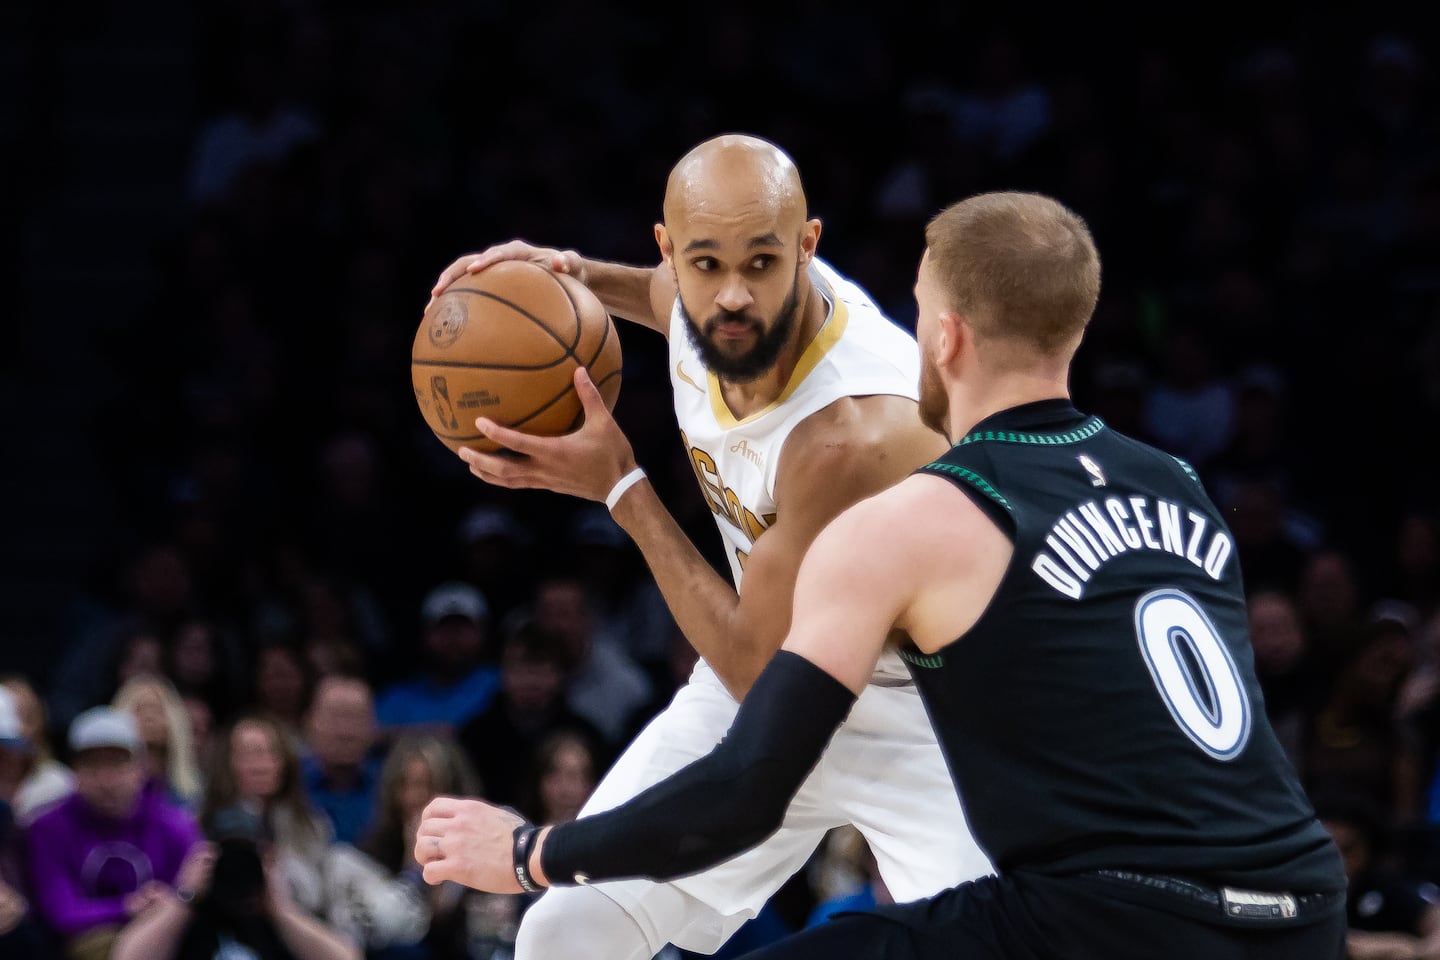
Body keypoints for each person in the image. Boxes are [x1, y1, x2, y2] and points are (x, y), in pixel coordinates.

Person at [416, 192, 1349, 959]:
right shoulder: (1179, 483)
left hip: (934, 741)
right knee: (566, 936)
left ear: (943, 334)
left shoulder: (895, 484)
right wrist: (575, 278)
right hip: (1294, 895)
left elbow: (749, 759)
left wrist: (532, 849)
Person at [430, 134, 991, 959]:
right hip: (779, 664)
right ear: (669, 250)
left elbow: (761, 676)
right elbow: (662, 297)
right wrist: (569, 279)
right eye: (705, 263)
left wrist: (621, 487)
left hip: (930, 717)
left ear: (807, 246)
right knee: (567, 931)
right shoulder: (708, 312)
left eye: (762, 263)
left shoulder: (853, 434)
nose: (732, 295)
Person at [26, 706, 203, 960]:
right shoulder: (47, 828)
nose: (106, 779)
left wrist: (172, 901)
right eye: (93, 765)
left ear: (141, 767)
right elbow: (61, 912)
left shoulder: (175, 825)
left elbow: (193, 894)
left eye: (118, 763)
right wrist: (128, 906)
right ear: (74, 771)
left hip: (167, 937)